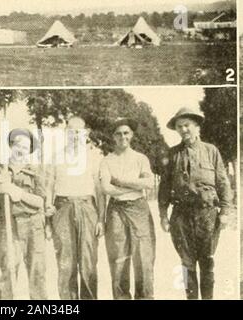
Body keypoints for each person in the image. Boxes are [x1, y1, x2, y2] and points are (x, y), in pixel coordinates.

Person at [158, 107, 232, 300]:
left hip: (207, 215)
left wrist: (225, 211)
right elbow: (164, 188)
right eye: (179, 127)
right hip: (181, 217)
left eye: (187, 125)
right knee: (186, 262)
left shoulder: (211, 151)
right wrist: (163, 216)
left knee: (207, 261)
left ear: (197, 126)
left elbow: (223, 182)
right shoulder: (172, 154)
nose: (184, 130)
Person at [0, 128, 47, 299]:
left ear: (30, 150)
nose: (21, 150)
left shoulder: (35, 171)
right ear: (11, 146)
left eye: (26, 147)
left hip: (33, 225)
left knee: (37, 274)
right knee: (8, 273)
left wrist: (18, 193)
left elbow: (41, 202)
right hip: (8, 226)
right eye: (17, 144)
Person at [46, 116, 105, 300]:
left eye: (78, 132)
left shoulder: (94, 157)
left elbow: (100, 191)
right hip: (63, 209)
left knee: (88, 262)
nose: (74, 136)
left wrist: (101, 220)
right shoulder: (56, 157)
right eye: (70, 132)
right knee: (66, 263)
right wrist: (48, 219)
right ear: (66, 133)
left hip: (87, 209)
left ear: (85, 134)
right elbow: (49, 187)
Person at [99, 118, 156, 300]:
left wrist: (122, 182)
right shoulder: (107, 161)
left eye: (126, 133)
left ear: (131, 135)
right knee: (118, 259)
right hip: (116, 209)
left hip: (139, 208)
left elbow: (148, 183)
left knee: (144, 258)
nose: (122, 136)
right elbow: (106, 188)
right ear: (113, 137)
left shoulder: (140, 158)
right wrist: (135, 184)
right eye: (118, 133)